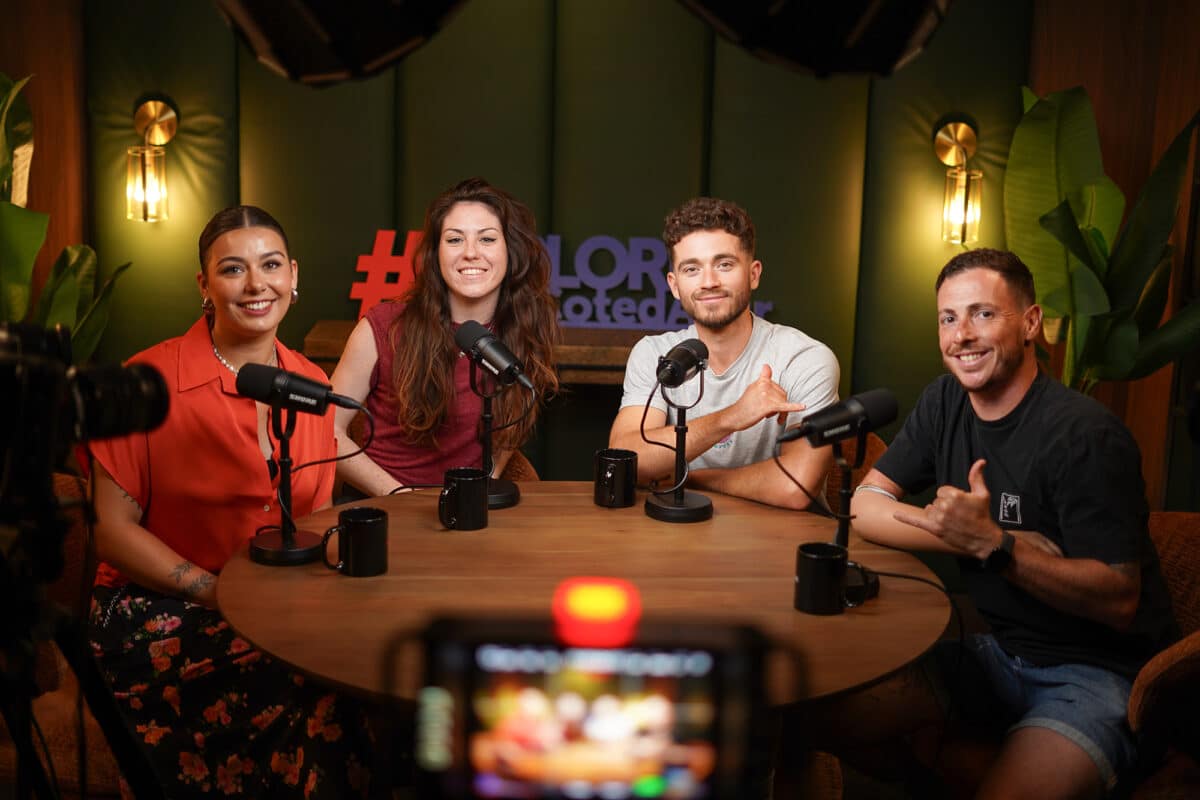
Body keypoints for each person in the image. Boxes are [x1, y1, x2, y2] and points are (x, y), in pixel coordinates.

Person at [846, 248, 1177, 797]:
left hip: (1095, 675)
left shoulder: (1085, 435)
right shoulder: (945, 401)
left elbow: (1120, 599)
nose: (962, 335)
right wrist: (966, 539)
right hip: (998, 655)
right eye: (948, 319)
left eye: (983, 314)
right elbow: (865, 505)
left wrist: (997, 546)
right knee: (827, 711)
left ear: (1030, 323)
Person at [88, 206, 381, 798]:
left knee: (363, 666)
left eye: (270, 266)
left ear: (293, 276)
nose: (255, 284)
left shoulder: (311, 385)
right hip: (160, 608)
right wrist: (215, 592)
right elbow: (110, 530)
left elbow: (314, 521)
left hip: (275, 611)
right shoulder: (144, 381)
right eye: (232, 269)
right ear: (205, 284)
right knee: (313, 684)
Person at [331, 177, 560, 496]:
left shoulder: (524, 328)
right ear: (435, 253)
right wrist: (399, 497)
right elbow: (327, 429)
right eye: (454, 240)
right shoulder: (383, 327)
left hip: (468, 509)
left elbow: (509, 428)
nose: (470, 253)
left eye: (487, 239)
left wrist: (479, 489)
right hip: (386, 505)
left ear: (511, 250)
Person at [608, 196, 839, 509]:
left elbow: (795, 486)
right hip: (677, 533)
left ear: (753, 274)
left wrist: (691, 479)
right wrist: (731, 417)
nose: (709, 282)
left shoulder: (804, 358)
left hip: (779, 535)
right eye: (692, 269)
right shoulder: (655, 353)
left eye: (724, 264)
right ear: (674, 285)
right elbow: (627, 459)